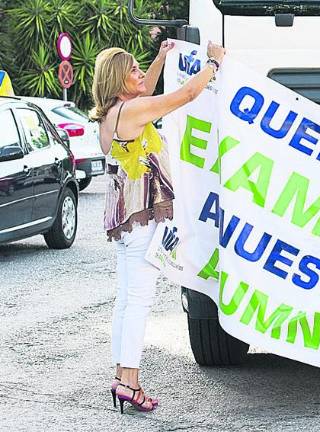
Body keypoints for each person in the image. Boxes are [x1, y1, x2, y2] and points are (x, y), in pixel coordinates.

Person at [90, 40, 226, 413]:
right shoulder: (133, 112)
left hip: (123, 222)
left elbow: (146, 90)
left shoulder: (111, 116)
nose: (140, 75)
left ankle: (121, 377)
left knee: (125, 300)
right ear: (120, 81)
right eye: (133, 70)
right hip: (143, 219)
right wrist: (214, 63)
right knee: (139, 302)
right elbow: (185, 94)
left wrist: (161, 58)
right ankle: (130, 382)